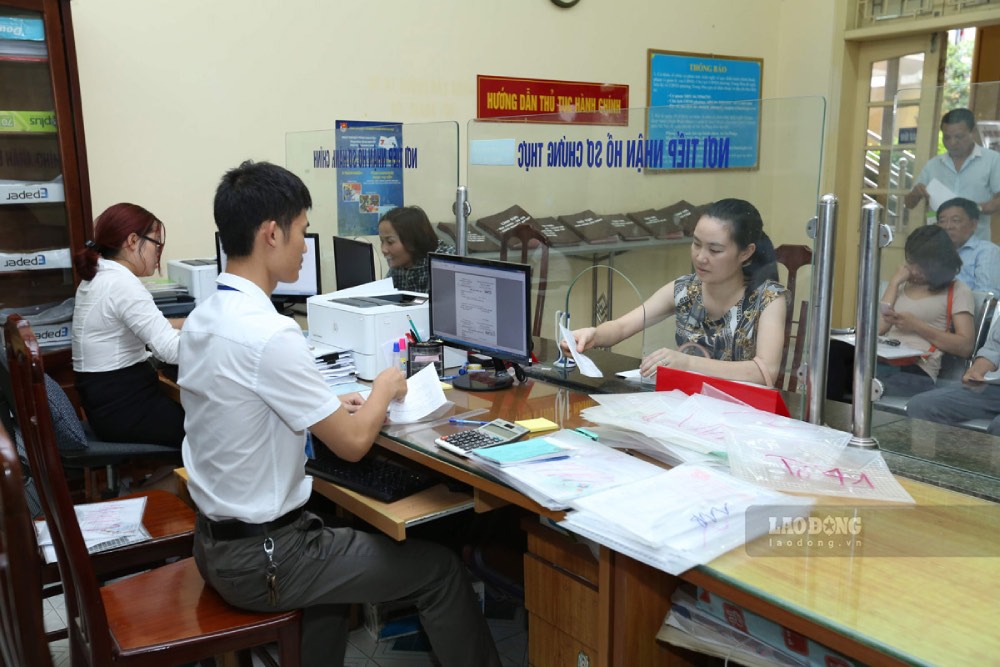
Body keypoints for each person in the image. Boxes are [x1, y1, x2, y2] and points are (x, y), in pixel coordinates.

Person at [179, 161, 500, 667]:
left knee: (334, 578)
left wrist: (333, 406)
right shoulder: (270, 333)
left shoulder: (207, 316)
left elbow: (255, 409)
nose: (305, 247)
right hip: (267, 560)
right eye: (302, 232)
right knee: (439, 571)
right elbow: (352, 445)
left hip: (216, 544)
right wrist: (383, 389)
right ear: (271, 233)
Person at [566, 198, 787, 386]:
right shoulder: (684, 289)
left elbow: (764, 371)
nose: (701, 257)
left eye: (715, 250)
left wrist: (687, 363)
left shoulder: (767, 299)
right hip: (683, 406)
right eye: (696, 244)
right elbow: (623, 326)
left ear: (746, 252)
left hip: (740, 418)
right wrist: (594, 335)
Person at [71, 203, 185, 447]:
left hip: (106, 405)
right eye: (156, 243)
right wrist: (219, 338)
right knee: (209, 429)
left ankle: (170, 482)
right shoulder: (122, 283)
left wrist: (187, 323)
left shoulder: (100, 276)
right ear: (133, 241)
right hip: (125, 409)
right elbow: (170, 350)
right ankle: (173, 483)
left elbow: (139, 323)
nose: (158, 252)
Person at [876, 225, 975, 396]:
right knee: (835, 358)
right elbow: (878, 329)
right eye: (911, 262)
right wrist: (894, 283)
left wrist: (916, 326)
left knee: (859, 380)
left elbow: (965, 347)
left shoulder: (957, 290)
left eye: (922, 265)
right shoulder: (902, 284)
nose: (914, 270)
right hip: (885, 359)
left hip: (917, 368)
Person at [904, 108, 1000, 241]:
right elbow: (909, 204)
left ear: (972, 132)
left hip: (976, 244)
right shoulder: (933, 165)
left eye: (959, 137)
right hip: (938, 244)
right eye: (947, 137)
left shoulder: (992, 160)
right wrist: (915, 193)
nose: (952, 143)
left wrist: (973, 208)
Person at [907, 312, 1000, 435]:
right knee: (922, 405)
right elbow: (994, 348)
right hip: (995, 387)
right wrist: (976, 370)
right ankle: (933, 454)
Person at [378, 205, 454, 293]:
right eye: (382, 241)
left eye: (390, 242)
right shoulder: (399, 264)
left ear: (412, 241)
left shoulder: (444, 263)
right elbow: (384, 296)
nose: (383, 249)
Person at [936, 197, 1000, 295]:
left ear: (973, 224)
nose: (948, 226)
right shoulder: (934, 252)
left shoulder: (987, 251)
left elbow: (986, 296)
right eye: (942, 221)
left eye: (955, 220)